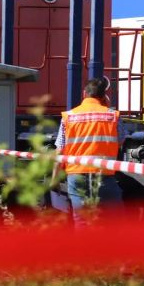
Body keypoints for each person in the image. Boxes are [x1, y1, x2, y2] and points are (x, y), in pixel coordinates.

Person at [54, 78, 124, 225]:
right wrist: (108, 108)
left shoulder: (69, 116)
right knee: (114, 221)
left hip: (76, 175)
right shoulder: (113, 116)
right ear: (104, 96)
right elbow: (120, 140)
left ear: (84, 94)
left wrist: (54, 177)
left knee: (82, 221)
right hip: (104, 174)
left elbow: (60, 150)